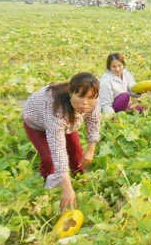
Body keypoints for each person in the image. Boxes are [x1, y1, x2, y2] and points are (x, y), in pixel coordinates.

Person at [22, 72, 101, 213]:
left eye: (90, 97)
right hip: (35, 122)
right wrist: (67, 188)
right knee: (49, 158)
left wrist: (91, 149)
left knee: (76, 152)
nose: (85, 102)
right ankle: (50, 188)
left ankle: (79, 179)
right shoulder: (56, 111)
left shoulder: (92, 100)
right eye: (81, 96)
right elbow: (58, 151)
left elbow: (94, 122)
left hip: (67, 120)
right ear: (71, 93)